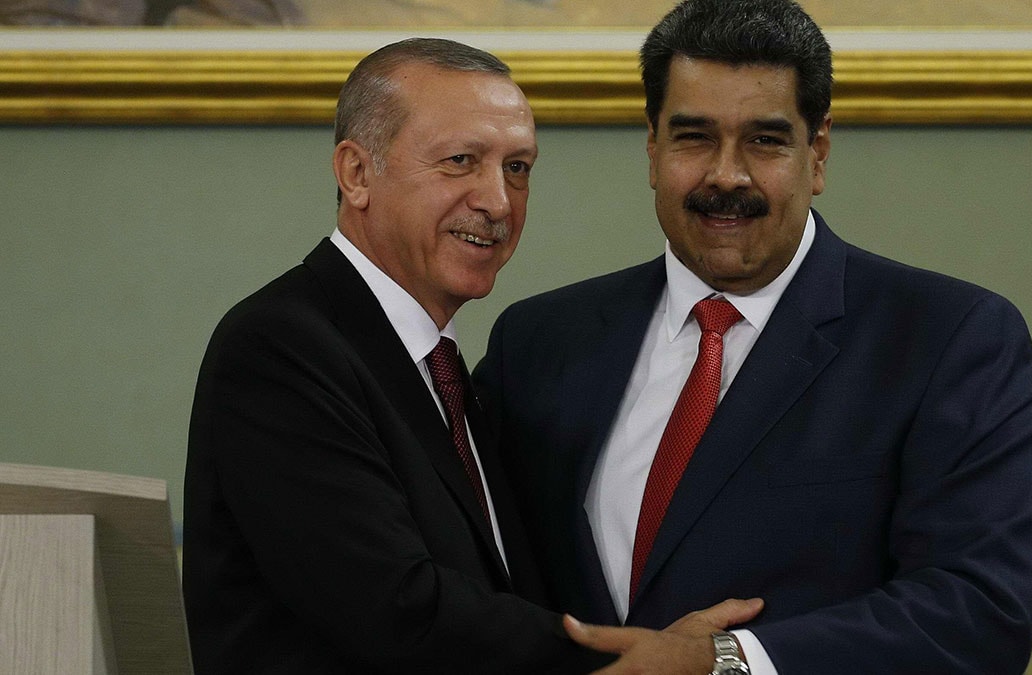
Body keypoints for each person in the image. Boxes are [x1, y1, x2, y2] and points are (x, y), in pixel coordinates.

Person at [474, 1, 1032, 673]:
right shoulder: (538, 342)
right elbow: (475, 578)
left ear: (818, 153)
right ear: (653, 149)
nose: (727, 175)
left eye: (765, 140)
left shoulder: (949, 340)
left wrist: (727, 660)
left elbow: (980, 613)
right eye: (694, 137)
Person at [184, 38, 763, 674]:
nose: (498, 201)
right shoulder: (281, 348)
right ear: (356, 174)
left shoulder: (447, 372)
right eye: (460, 161)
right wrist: (635, 659)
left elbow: (498, 589)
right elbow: (394, 609)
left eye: (517, 168)